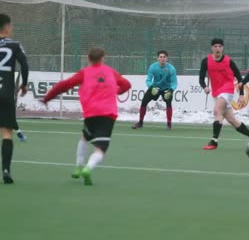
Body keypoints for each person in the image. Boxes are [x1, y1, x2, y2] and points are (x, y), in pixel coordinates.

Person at [43, 48, 131, 185]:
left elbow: (64, 85)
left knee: (85, 137)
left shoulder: (84, 73)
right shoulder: (110, 71)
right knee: (100, 148)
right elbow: (126, 85)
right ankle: (88, 168)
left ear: (88, 59)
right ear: (103, 58)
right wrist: (118, 91)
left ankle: (78, 166)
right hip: (107, 114)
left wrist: (48, 98)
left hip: (90, 113)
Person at [199, 38, 249, 150]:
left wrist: (241, 94)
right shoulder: (205, 61)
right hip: (216, 92)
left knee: (217, 111)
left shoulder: (228, 61)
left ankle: (214, 141)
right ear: (212, 48)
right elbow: (201, 78)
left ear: (223, 48)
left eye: (219, 46)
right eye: (215, 46)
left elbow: (239, 77)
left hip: (227, 90)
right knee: (232, 120)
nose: (217, 48)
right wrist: (205, 87)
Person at [0, 13, 29, 184]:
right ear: (7, 26)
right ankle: (5, 170)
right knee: (6, 132)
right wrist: (24, 84)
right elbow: (24, 64)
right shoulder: (15, 45)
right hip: (6, 92)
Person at [132, 50, 177, 130]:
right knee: (144, 102)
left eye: (164, 57)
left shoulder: (171, 69)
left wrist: (171, 90)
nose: (162, 58)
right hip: (155, 88)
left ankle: (169, 124)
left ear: (167, 58)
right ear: (158, 59)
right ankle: (140, 122)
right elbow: (148, 80)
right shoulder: (153, 67)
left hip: (166, 88)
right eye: (161, 57)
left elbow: (174, 83)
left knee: (169, 103)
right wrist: (151, 87)